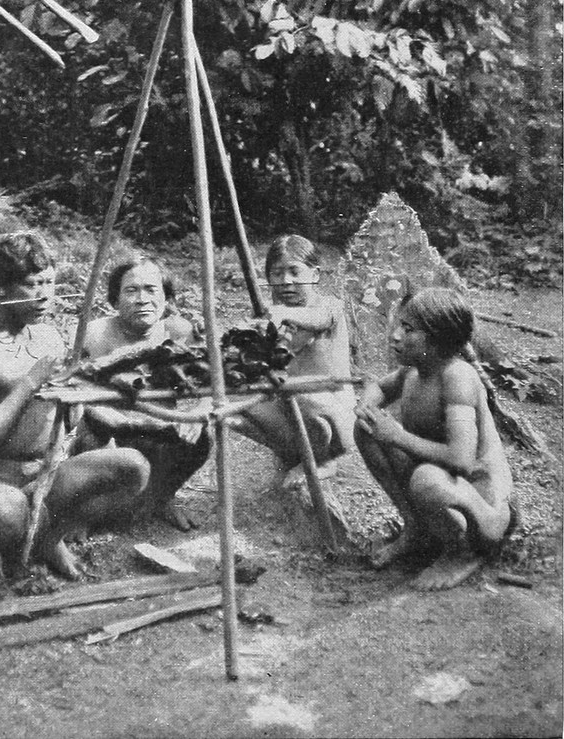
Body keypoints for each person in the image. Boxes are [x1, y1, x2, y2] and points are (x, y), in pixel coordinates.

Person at [0, 232, 149, 582]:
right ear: (0, 288)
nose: (45, 295)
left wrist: (80, 397)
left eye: (49, 283)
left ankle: (48, 539)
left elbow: (69, 414)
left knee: (133, 467)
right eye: (32, 285)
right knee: (3, 513)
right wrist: (29, 383)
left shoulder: (46, 335)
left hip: (49, 472)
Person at [354, 286, 514, 591]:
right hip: (447, 485)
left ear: (438, 340)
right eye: (398, 325)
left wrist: (398, 436)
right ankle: (417, 529)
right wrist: (367, 404)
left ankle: (464, 551)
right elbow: (380, 387)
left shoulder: (457, 377)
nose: (395, 335)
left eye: (408, 329)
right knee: (367, 429)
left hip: (484, 504)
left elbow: (462, 461)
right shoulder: (414, 372)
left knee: (425, 479)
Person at [79, 254, 210, 531]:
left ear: (166, 297)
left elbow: (210, 383)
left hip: (160, 429)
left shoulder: (179, 331)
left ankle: (161, 497)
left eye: (151, 289)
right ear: (115, 300)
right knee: (89, 439)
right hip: (108, 430)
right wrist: (117, 420)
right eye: (131, 290)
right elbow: (77, 393)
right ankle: (82, 513)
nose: (142, 299)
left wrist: (197, 414)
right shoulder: (94, 335)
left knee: (202, 437)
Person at [232, 234, 355, 487]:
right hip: (294, 412)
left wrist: (283, 314)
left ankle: (323, 461)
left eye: (294, 272)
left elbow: (319, 320)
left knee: (298, 396)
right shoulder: (274, 316)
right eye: (277, 274)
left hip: (334, 417)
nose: (286, 281)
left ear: (315, 275)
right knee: (231, 405)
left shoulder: (330, 306)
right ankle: (291, 453)